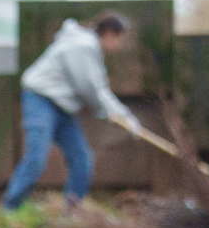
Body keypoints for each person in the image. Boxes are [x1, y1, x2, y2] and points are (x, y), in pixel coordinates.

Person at [11, 11, 133, 213]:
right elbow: (88, 88)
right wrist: (110, 113)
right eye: (120, 39)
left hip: (62, 107)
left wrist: (126, 117)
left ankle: (72, 211)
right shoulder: (82, 46)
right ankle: (10, 208)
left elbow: (99, 88)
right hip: (41, 100)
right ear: (110, 33)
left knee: (81, 158)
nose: (120, 46)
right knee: (36, 158)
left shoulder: (91, 49)